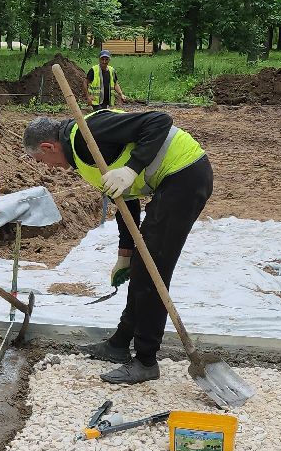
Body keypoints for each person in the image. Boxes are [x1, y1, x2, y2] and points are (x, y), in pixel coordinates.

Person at [23, 108, 210, 384]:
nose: (47, 167)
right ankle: (120, 344)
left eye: (42, 159)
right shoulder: (82, 155)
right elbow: (124, 199)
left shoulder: (90, 133)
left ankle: (146, 360)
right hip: (172, 183)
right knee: (140, 265)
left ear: (49, 146)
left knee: (151, 272)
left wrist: (132, 168)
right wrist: (125, 254)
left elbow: (159, 120)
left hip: (185, 176)